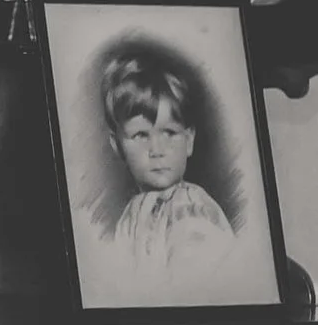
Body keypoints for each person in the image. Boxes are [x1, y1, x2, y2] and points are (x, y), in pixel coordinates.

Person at [96, 39, 237, 286]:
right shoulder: (131, 214)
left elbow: (194, 286)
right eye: (140, 135)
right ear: (117, 145)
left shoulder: (192, 207)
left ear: (189, 140)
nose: (157, 150)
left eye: (170, 133)